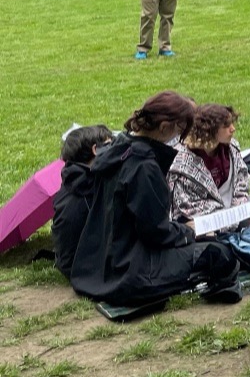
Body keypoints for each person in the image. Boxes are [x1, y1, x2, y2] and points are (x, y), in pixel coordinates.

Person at [63, 92, 240, 306]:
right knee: (220, 253)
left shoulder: (116, 150)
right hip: (128, 273)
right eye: (180, 131)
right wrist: (189, 232)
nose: (180, 139)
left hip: (99, 266)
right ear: (165, 127)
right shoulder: (144, 166)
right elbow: (155, 232)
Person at [168, 105, 250, 225]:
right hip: (205, 218)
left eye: (232, 123)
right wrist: (224, 216)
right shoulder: (181, 161)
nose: (233, 129)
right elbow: (186, 204)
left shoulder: (231, 148)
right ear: (209, 129)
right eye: (226, 126)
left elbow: (242, 181)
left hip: (235, 209)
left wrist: (237, 208)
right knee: (203, 233)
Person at [51, 124, 114, 278]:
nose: (113, 148)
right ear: (96, 150)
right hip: (84, 268)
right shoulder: (90, 185)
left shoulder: (74, 179)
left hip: (71, 262)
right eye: (110, 144)